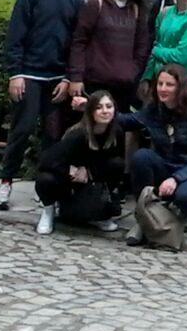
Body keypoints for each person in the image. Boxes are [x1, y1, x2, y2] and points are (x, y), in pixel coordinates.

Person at [0, 0, 82, 210]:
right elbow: (15, 36)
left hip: (56, 79)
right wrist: (15, 73)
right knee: (22, 130)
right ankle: (6, 181)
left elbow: (76, 44)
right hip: (29, 75)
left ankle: (43, 186)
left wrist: (67, 77)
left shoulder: (76, 0)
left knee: (52, 136)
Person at [120, 63, 187, 245]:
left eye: (169, 84)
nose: (163, 89)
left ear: (180, 87)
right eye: (160, 84)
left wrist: (176, 179)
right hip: (165, 166)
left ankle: (176, 217)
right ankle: (144, 216)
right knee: (141, 157)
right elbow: (126, 121)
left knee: (186, 197)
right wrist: (93, 109)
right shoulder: (154, 110)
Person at [67, 0, 149, 112]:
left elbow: (142, 47)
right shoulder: (95, 4)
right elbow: (79, 43)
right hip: (94, 84)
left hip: (123, 86)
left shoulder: (137, 10)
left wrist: (132, 71)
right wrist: (76, 77)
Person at [38, 90, 125, 234]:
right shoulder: (78, 134)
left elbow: (116, 162)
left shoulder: (117, 132)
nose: (105, 111)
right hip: (68, 180)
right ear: (90, 112)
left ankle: (102, 208)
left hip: (92, 180)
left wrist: (89, 172)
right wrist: (69, 170)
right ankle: (48, 211)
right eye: (99, 107)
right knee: (45, 179)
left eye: (109, 107)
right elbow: (47, 160)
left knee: (117, 164)